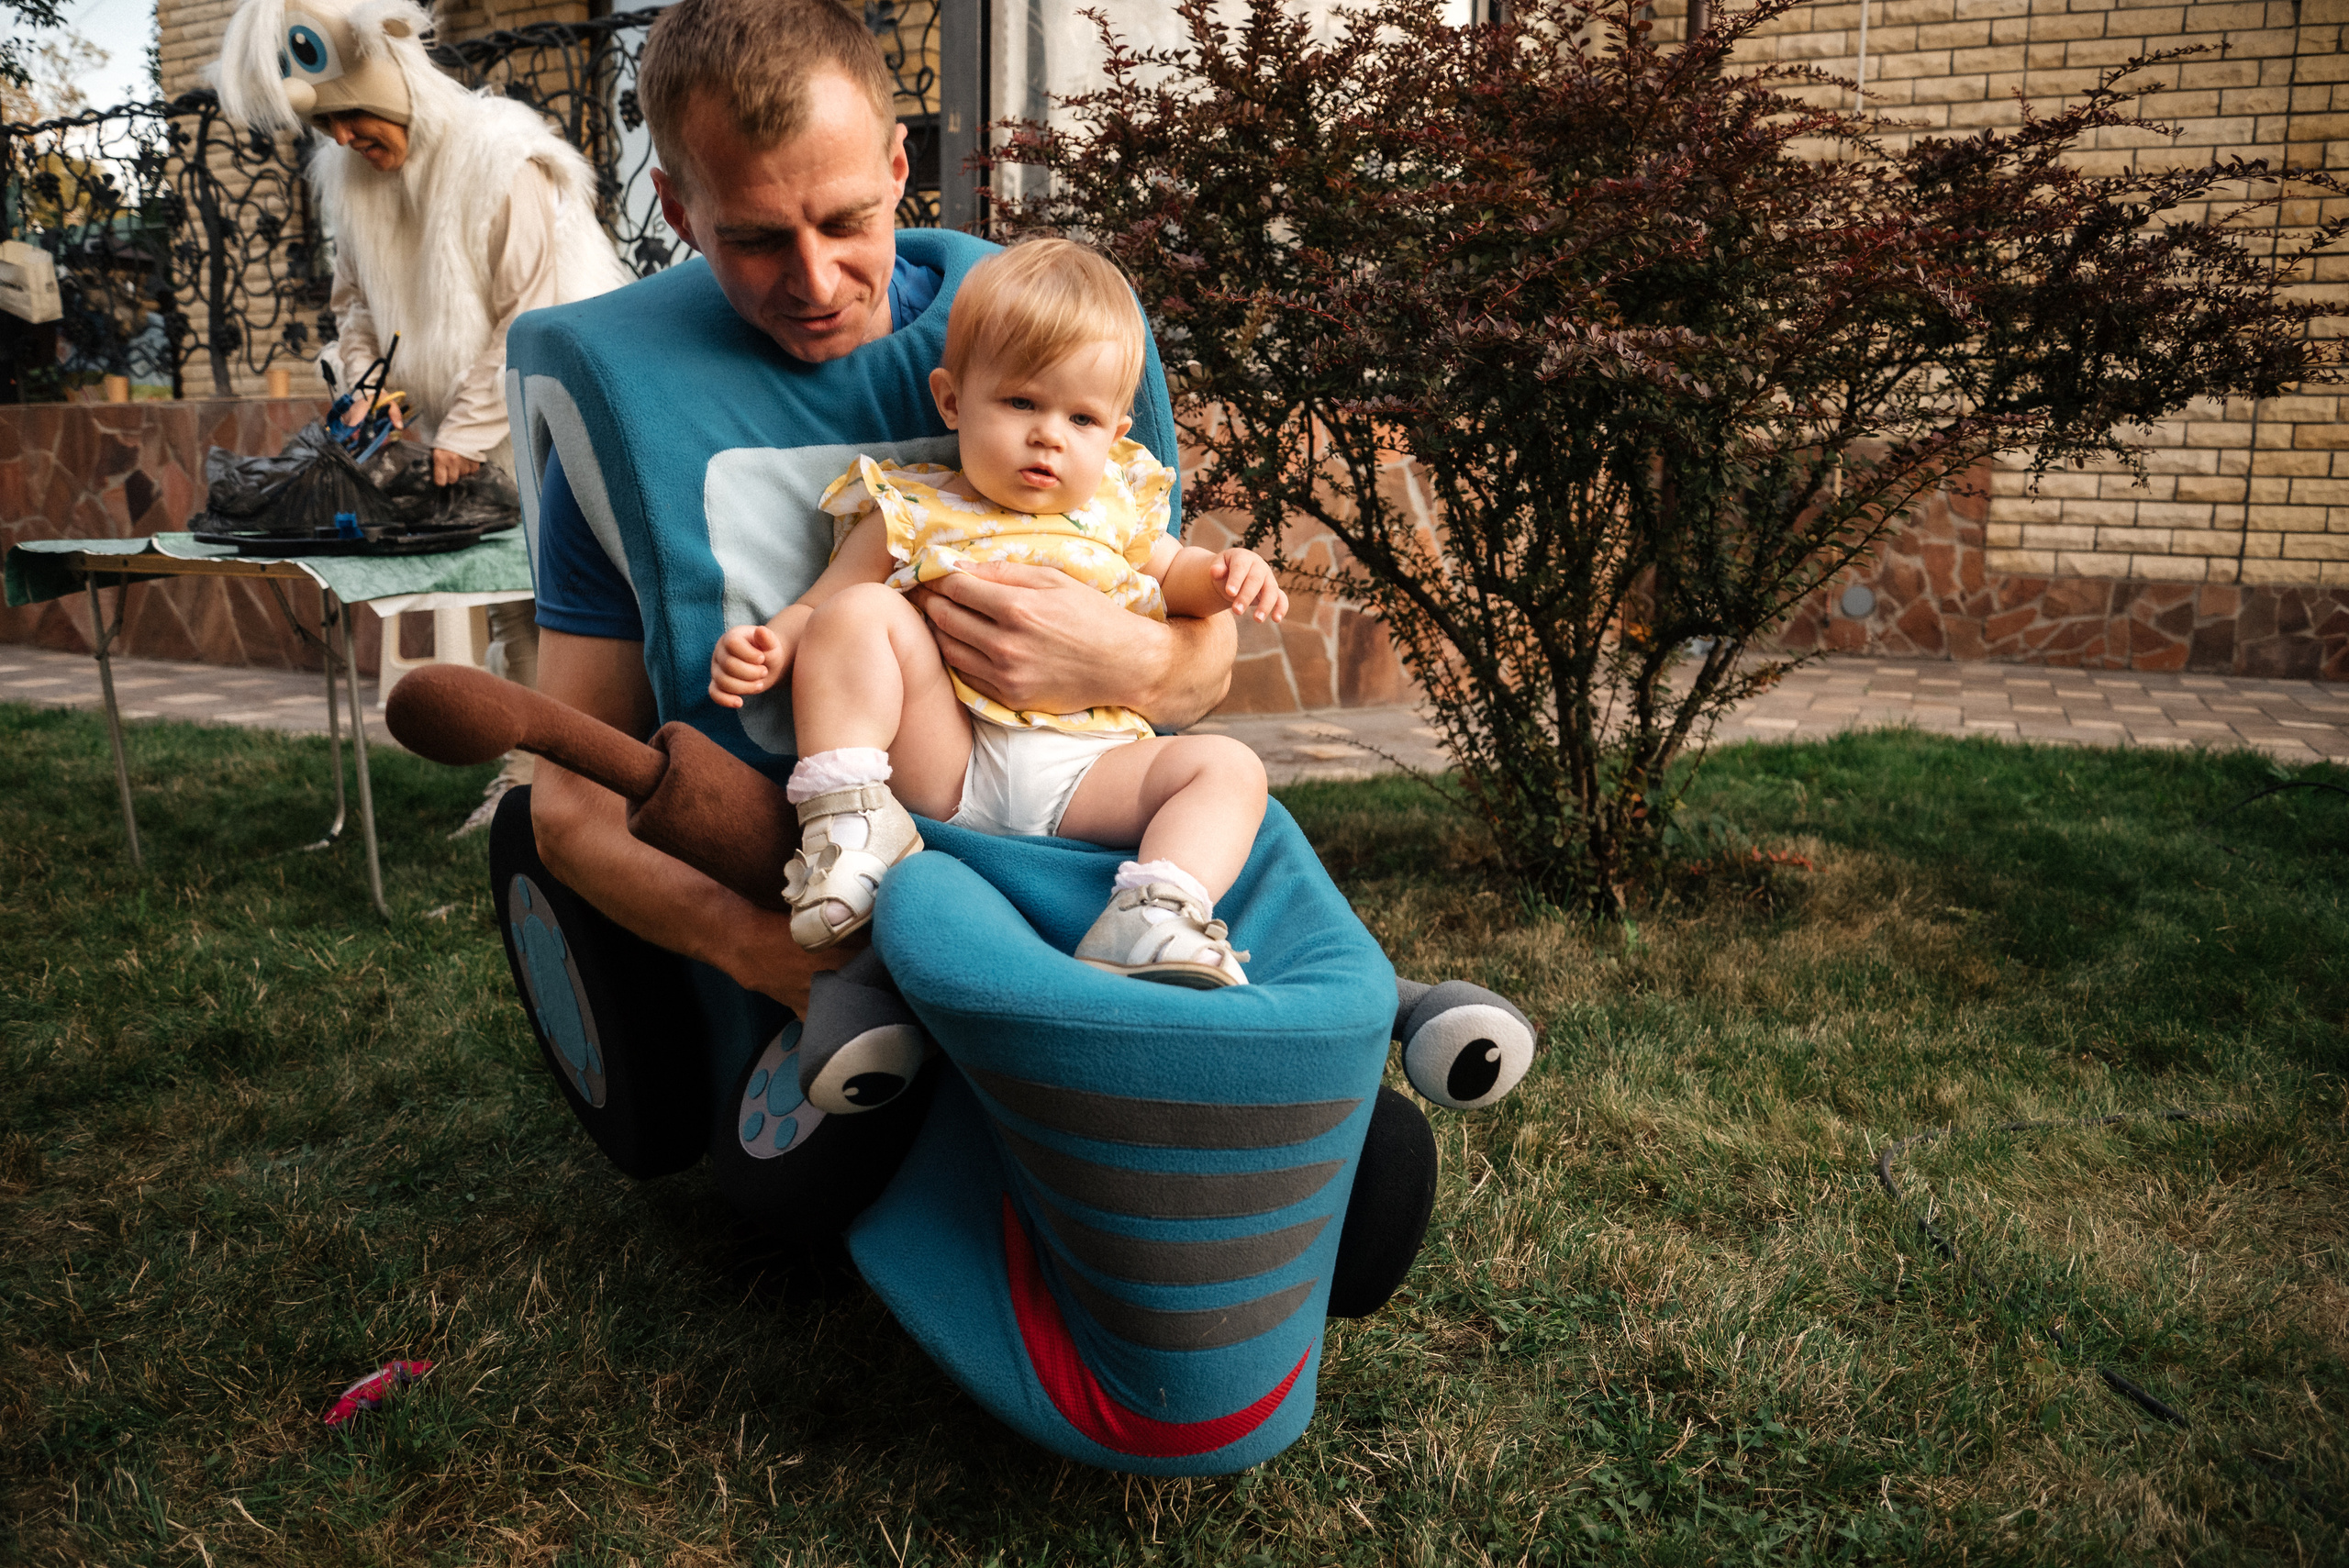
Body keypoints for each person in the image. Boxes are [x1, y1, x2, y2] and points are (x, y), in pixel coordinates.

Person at [708, 239, 1287, 984]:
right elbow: (821, 607)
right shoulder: (912, 506)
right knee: (857, 612)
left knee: (1230, 768)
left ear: (1115, 440)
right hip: (949, 758)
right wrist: (772, 645)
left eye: (1081, 419)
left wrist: (1230, 571)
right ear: (952, 400)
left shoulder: (1119, 513)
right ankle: (850, 823)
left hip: (1091, 768)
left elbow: (1183, 581)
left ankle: (1154, 913)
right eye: (1021, 402)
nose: (1048, 433)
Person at [215, 0, 635, 834]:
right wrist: (362, 384)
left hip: (563, 413)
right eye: (326, 124)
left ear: (395, 86)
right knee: (515, 602)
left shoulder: (504, 159)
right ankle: (534, 779)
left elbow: (534, 314)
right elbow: (355, 307)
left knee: (572, 601)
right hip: (473, 427)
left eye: (348, 115)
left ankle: (583, 781)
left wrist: (465, 434)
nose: (340, 139)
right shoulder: (350, 181)